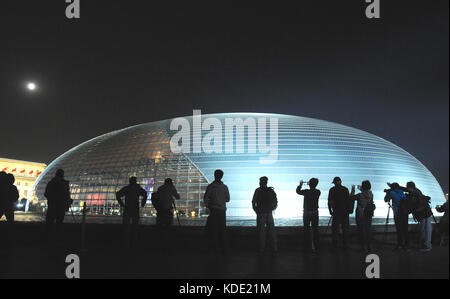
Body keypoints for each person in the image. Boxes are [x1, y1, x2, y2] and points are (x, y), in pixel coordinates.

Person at [204, 169, 230, 256]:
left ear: (214, 175)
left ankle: (215, 248)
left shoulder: (210, 186)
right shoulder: (224, 187)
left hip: (214, 210)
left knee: (214, 230)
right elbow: (228, 199)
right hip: (222, 211)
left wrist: (209, 206)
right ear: (222, 176)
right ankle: (224, 249)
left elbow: (206, 198)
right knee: (222, 230)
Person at [400, 182, 433, 251]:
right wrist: (394, 186)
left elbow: (421, 205)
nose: (408, 190)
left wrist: (413, 211)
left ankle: (427, 246)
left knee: (427, 229)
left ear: (411, 188)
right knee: (424, 229)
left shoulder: (417, 193)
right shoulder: (414, 191)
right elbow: (405, 189)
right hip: (424, 213)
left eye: (408, 188)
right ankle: (424, 244)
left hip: (425, 213)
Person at [116, 176, 148, 247]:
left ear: (130, 181)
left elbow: (118, 194)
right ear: (135, 181)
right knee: (135, 225)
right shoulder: (138, 188)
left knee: (126, 225)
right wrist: (143, 203)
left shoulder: (127, 188)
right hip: (135, 208)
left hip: (127, 208)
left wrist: (121, 204)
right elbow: (145, 194)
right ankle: (134, 241)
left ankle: (126, 241)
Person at [252, 176, 278, 254]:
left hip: (261, 214)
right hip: (269, 213)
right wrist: (273, 209)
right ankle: (274, 248)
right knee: (272, 231)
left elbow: (253, 201)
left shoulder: (258, 190)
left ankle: (262, 249)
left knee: (261, 232)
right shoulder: (270, 190)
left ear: (261, 182)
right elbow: (275, 201)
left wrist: (256, 210)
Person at [296, 178, 321, 253]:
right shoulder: (318, 192)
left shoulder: (306, 192)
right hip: (315, 212)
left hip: (307, 213)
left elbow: (298, 191)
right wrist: (310, 184)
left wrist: (300, 185)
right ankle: (316, 247)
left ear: (310, 184)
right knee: (315, 229)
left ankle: (307, 247)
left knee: (306, 230)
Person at [350, 180, 375, 252]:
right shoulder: (371, 194)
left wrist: (353, 189)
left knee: (362, 231)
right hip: (369, 214)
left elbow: (351, 197)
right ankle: (369, 247)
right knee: (368, 230)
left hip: (360, 215)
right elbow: (367, 196)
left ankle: (363, 247)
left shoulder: (359, 195)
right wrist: (362, 189)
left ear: (363, 186)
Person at [328, 177, 351, 250]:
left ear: (334, 182)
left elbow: (329, 201)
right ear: (341, 182)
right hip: (345, 212)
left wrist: (330, 210)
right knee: (345, 229)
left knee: (335, 229)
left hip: (336, 212)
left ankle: (335, 245)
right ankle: (345, 245)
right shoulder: (345, 189)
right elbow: (348, 200)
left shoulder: (332, 189)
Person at [384, 183, 408, 250]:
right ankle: (406, 244)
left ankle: (400, 244)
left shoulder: (391, 192)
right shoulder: (401, 191)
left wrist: (387, 193)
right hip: (405, 212)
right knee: (405, 228)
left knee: (399, 229)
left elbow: (386, 200)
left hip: (397, 213)